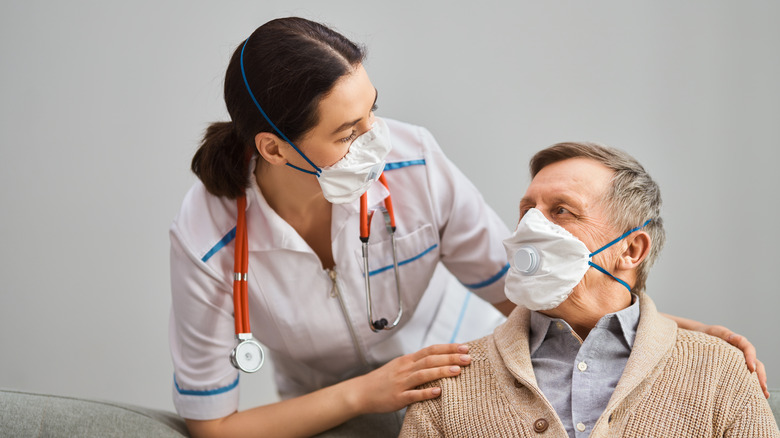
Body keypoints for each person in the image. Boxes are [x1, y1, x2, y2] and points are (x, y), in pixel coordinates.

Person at [169, 18, 765, 438]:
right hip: (330, 409)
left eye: (372, 108)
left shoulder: (412, 160)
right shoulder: (207, 239)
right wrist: (365, 394)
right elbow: (213, 423)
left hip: (475, 373)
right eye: (349, 132)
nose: (378, 137)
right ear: (274, 148)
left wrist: (666, 331)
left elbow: (521, 280)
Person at [400, 142, 778, 437]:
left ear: (631, 250)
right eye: (527, 210)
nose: (531, 227)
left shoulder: (720, 372)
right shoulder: (450, 384)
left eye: (561, 210)